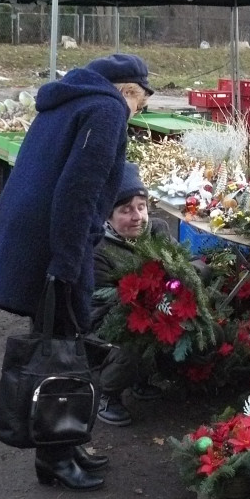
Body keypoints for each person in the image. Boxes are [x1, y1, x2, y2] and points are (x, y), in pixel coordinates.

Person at [0, 53, 153, 492]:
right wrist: (66, 265)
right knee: (60, 349)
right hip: (56, 242)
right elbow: (79, 191)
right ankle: (56, 457)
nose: (138, 110)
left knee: (59, 341)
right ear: (127, 92)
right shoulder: (106, 109)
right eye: (141, 100)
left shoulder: (68, 100)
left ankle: (68, 442)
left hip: (32, 236)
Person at [88, 162, 172, 427]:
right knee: (136, 336)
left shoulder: (157, 230)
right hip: (104, 323)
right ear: (107, 216)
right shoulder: (98, 249)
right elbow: (102, 304)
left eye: (141, 207)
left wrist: (182, 279)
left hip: (154, 307)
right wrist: (146, 296)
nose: (137, 216)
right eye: (125, 210)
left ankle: (141, 380)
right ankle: (107, 393)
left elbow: (189, 262)